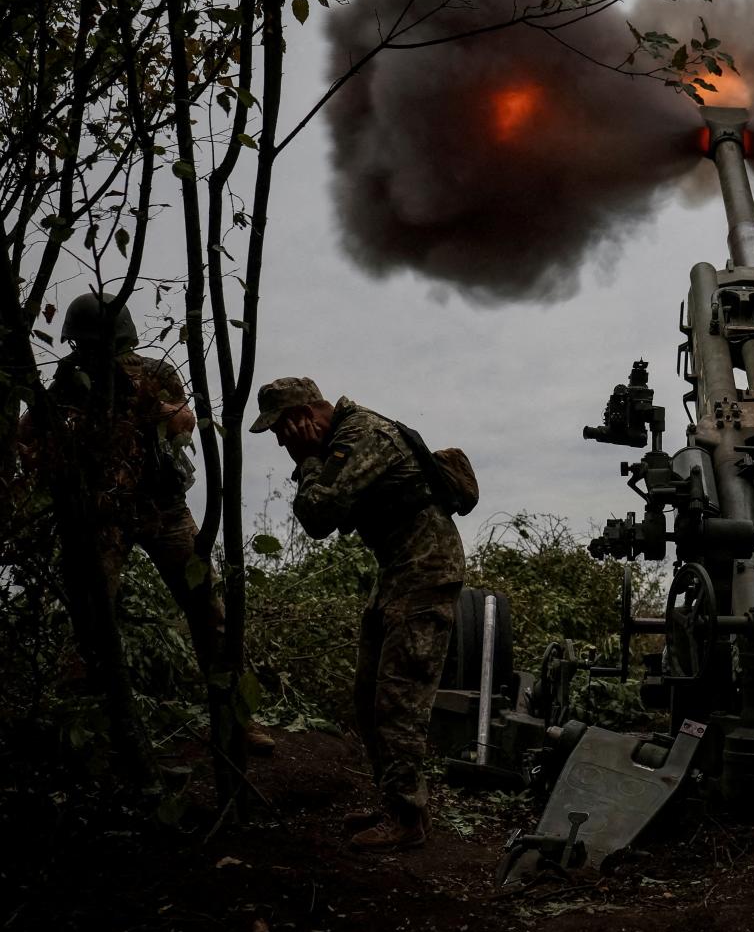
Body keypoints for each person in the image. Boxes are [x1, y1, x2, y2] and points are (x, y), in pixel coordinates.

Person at [38, 292, 274, 758]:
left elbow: (183, 422)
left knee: (209, 613)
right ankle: (100, 722)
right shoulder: (70, 379)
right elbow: (39, 429)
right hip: (105, 512)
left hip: (163, 508)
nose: (87, 353)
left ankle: (237, 721)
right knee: (92, 609)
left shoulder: (154, 373)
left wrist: (138, 403)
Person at [252, 376, 464, 851]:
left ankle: (408, 820)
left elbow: (318, 515)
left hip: (424, 573)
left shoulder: (362, 435)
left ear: (303, 415)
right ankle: (394, 803)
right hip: (397, 574)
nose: (282, 441)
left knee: (397, 700)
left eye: (281, 429)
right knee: (367, 697)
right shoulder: (346, 439)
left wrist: (307, 460)